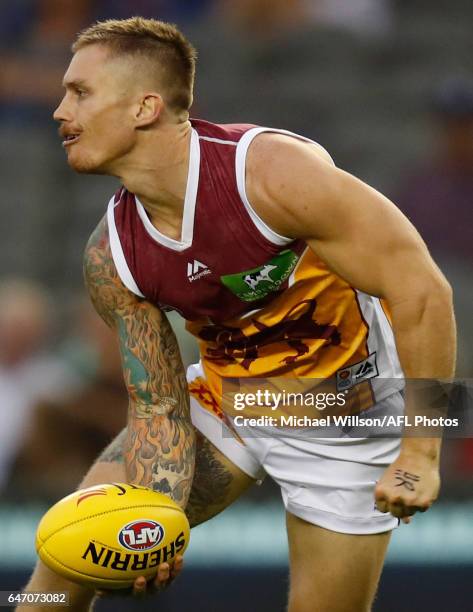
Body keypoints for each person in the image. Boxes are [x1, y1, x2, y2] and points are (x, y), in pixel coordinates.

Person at [20, 17, 455, 612]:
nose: (59, 111)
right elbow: (157, 405)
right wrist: (157, 518)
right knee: (64, 558)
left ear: (145, 106)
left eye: (80, 92)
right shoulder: (110, 256)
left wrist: (422, 452)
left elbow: (425, 293)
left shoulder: (272, 175)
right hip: (231, 398)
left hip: (347, 412)